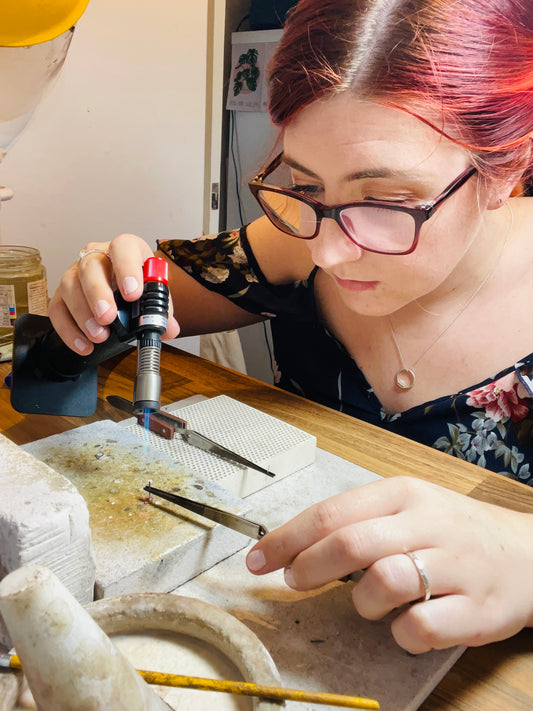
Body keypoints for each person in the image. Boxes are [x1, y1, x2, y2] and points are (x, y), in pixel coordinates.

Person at [49, 0, 533, 653]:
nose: (329, 253)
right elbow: (155, 291)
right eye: (303, 188)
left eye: (384, 203)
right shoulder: (293, 248)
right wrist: (111, 279)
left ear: (505, 166)